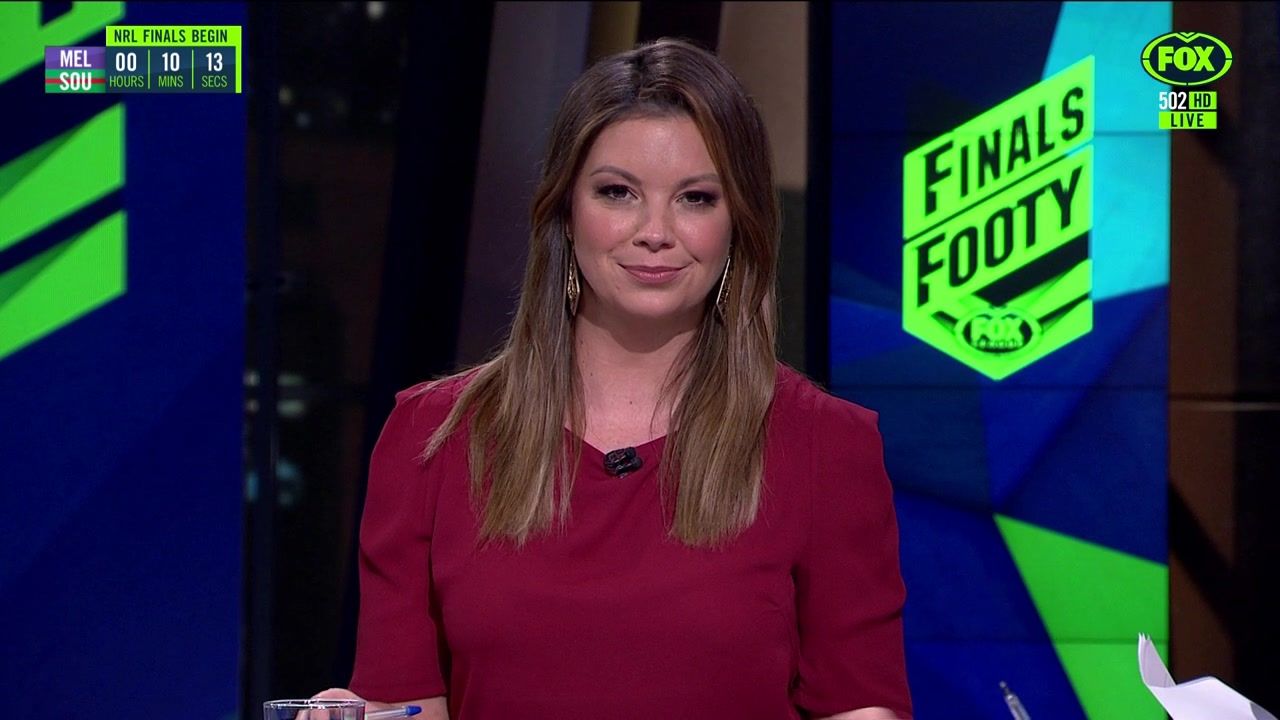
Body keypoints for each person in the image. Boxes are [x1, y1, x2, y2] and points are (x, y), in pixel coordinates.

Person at [315, 37, 911, 720]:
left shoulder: (825, 446)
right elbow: (407, 705)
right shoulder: (431, 439)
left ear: (739, 223)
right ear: (565, 212)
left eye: (695, 198)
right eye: (617, 192)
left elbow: (859, 709)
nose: (655, 231)